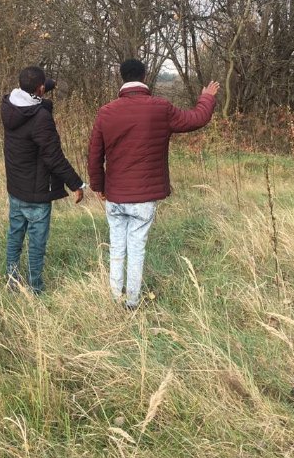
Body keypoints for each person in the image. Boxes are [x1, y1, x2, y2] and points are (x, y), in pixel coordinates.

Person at [88, 59, 219, 309]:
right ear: (145, 76)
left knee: (117, 247)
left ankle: (115, 299)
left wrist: (99, 187)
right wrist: (207, 97)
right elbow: (196, 119)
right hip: (143, 198)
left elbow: (94, 155)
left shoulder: (106, 112)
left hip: (115, 195)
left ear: (121, 77)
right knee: (136, 249)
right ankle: (132, 302)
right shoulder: (160, 108)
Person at [1, 66, 85, 293]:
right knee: (36, 243)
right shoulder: (40, 118)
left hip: (16, 187)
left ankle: (11, 281)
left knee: (15, 235)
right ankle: (35, 288)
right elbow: (53, 157)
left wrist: (47, 86)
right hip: (36, 191)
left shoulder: (9, 105)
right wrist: (76, 183)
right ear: (39, 89)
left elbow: (31, 94)